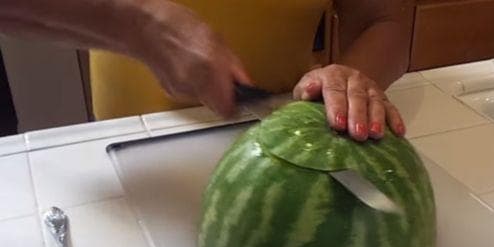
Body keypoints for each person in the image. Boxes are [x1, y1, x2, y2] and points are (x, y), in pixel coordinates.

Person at [0, 0, 413, 141]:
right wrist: (135, 21)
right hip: (133, 152)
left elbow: (384, 21)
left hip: (285, 137)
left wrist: (351, 76)